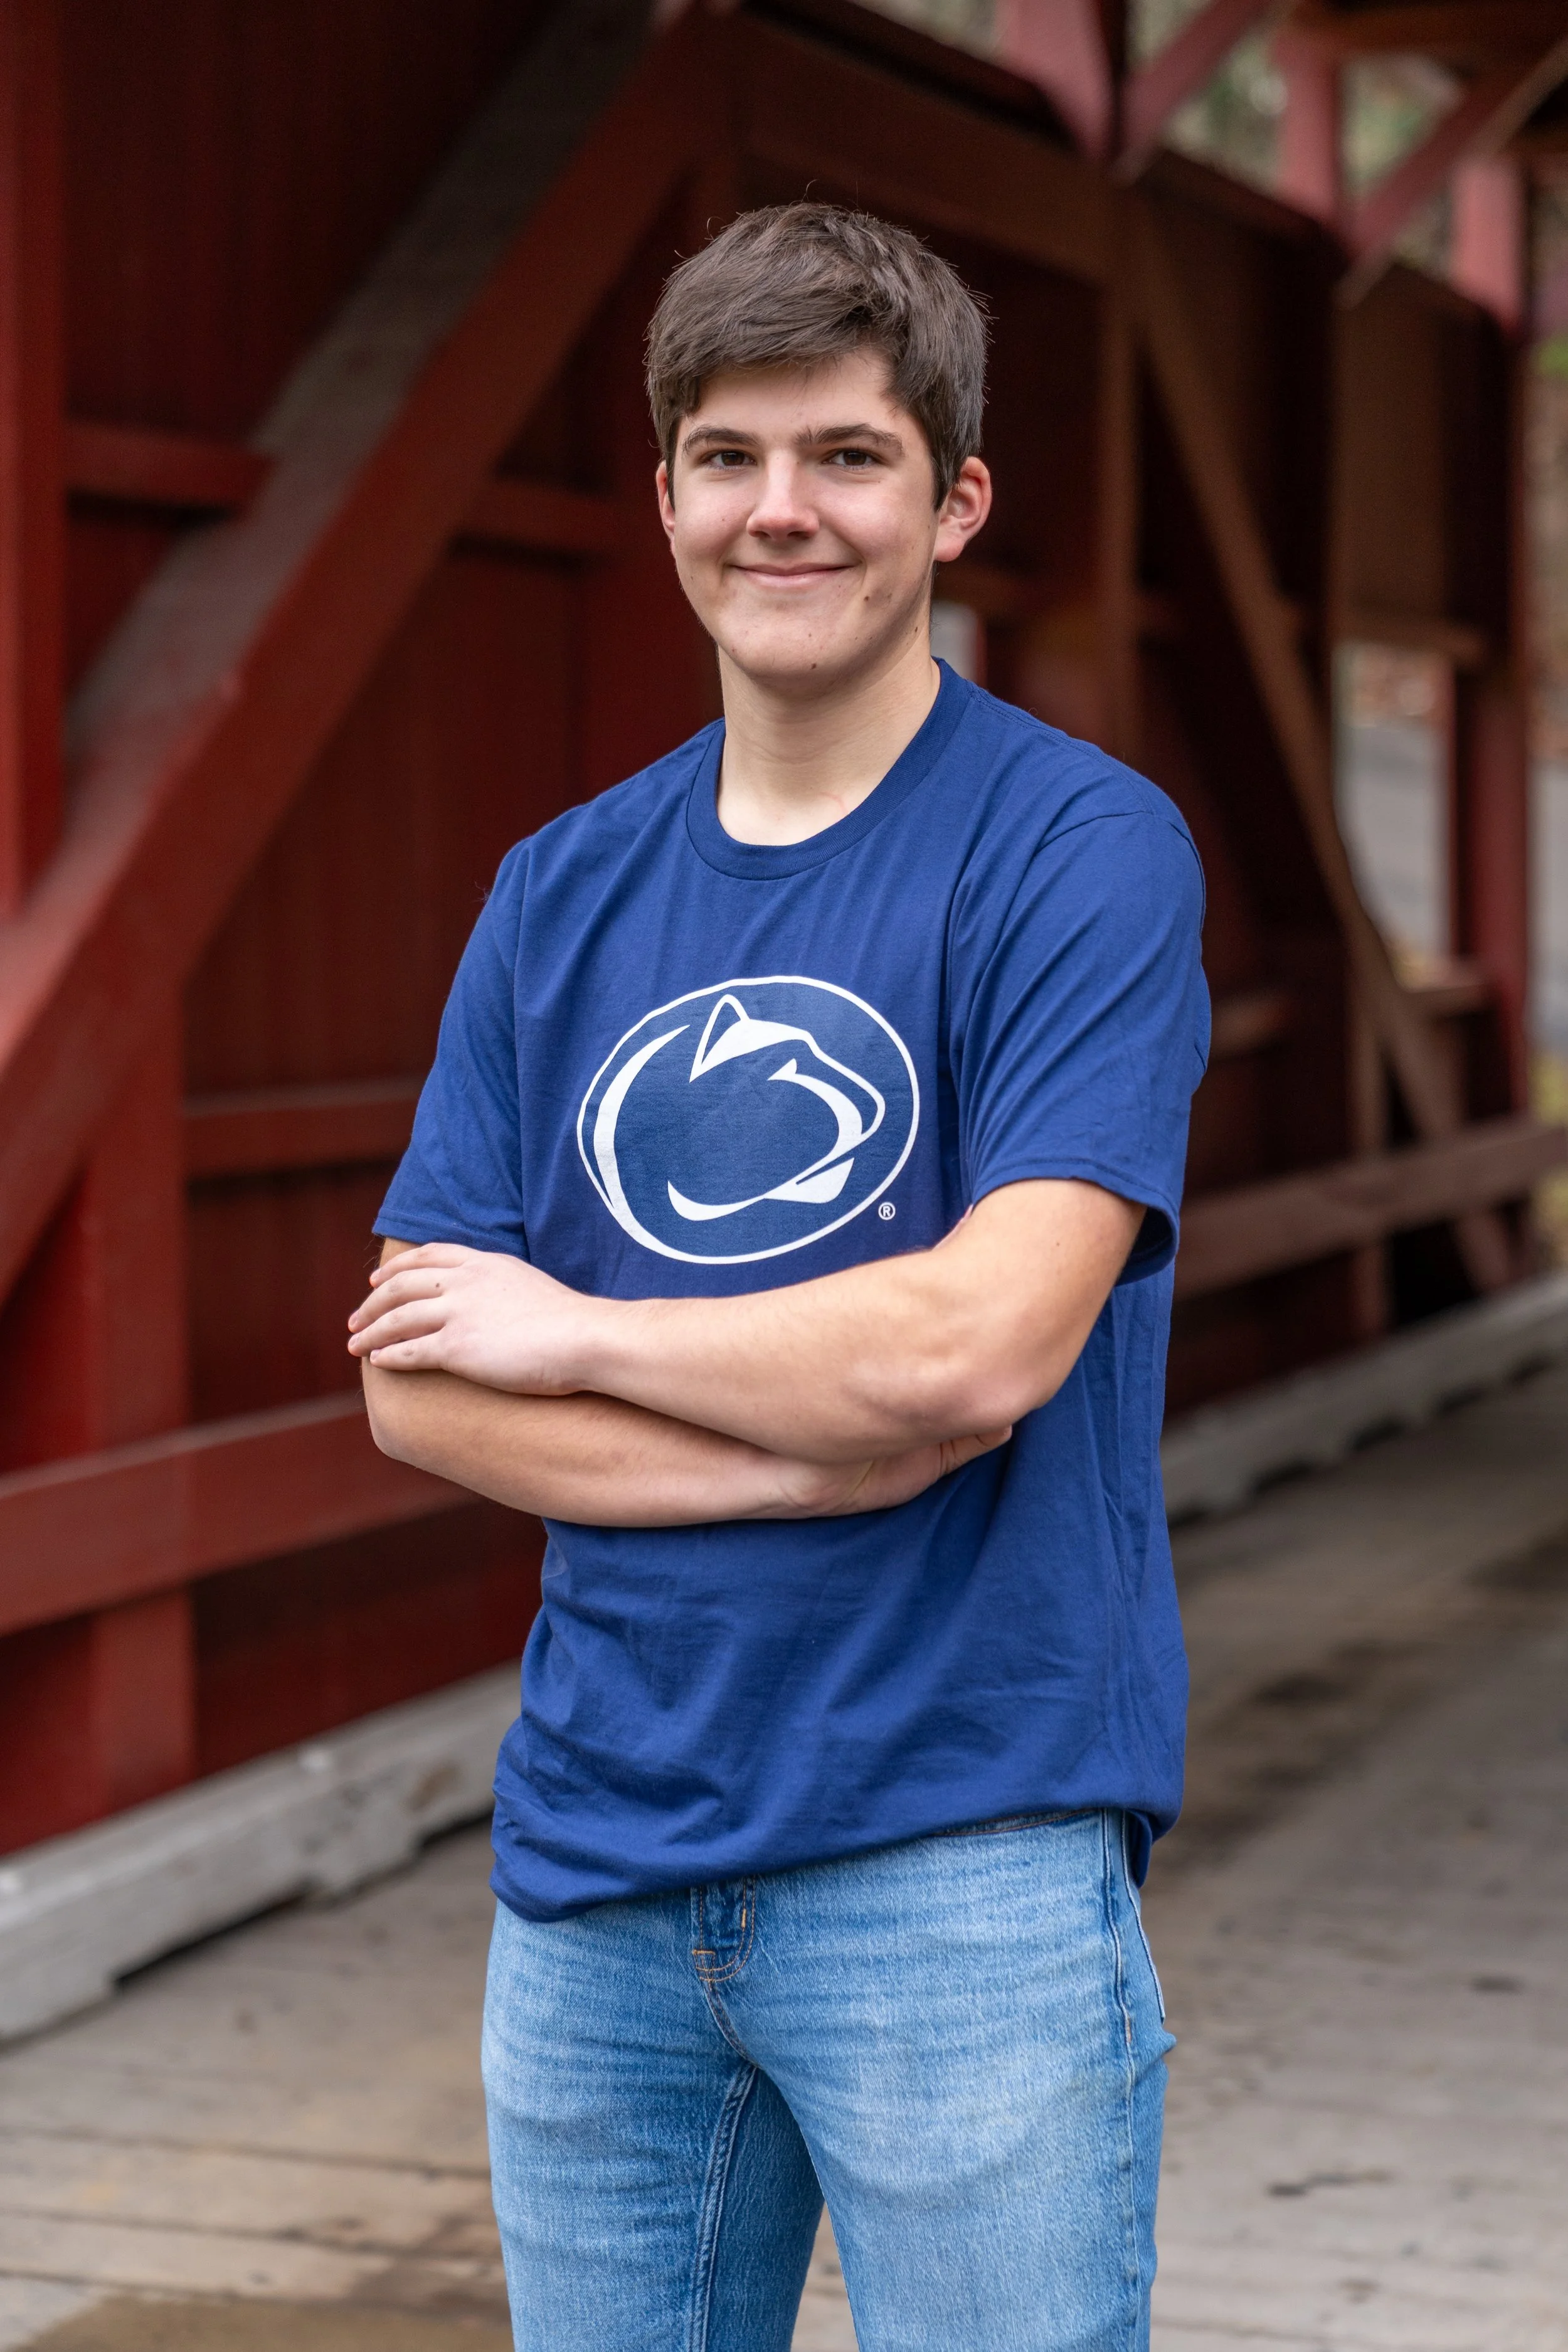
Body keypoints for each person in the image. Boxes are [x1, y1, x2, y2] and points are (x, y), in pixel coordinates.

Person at [347, 202, 1208, 2352]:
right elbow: (417, 1386)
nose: (781, 510)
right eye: (727, 456)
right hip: (596, 1867)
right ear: (665, 498)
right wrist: (793, 1464)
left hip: (962, 1851)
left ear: (954, 497)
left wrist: (585, 1335)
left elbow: (982, 1339)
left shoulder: (1076, 850)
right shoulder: (561, 891)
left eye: (845, 454)